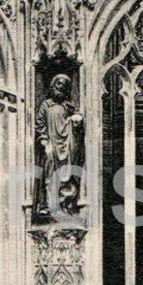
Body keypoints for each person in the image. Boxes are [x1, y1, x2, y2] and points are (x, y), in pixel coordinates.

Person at [34, 74, 84, 220]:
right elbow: (39, 124)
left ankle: (65, 205)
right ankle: (49, 205)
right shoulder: (46, 105)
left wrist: (77, 119)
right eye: (57, 83)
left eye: (63, 84)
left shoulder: (67, 105)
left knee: (66, 174)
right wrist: (44, 140)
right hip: (51, 145)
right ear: (53, 84)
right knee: (50, 174)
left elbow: (77, 117)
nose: (60, 86)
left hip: (67, 144)